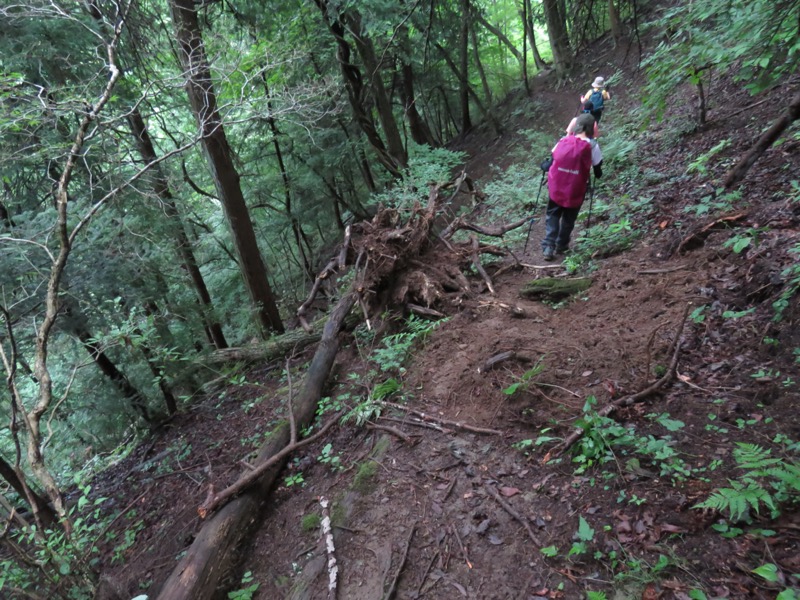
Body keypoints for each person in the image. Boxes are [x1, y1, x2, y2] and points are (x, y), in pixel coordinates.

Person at [541, 113, 603, 261]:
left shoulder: (563, 141)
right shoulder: (592, 146)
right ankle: (561, 245)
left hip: (556, 186)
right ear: (592, 128)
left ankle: (549, 246)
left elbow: (549, 163)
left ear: (577, 126)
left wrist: (544, 165)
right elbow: (598, 170)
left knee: (553, 214)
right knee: (569, 218)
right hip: (576, 189)